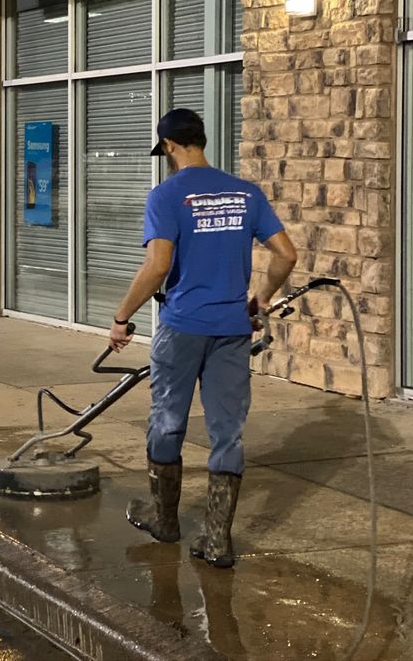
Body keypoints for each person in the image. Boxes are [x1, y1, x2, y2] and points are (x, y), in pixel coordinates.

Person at [109, 108, 297, 569]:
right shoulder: (246, 194)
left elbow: (157, 267)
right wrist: (260, 299)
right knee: (227, 432)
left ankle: (165, 520)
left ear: (169, 147)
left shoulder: (166, 196)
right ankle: (217, 541)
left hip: (182, 327)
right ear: (201, 142)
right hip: (232, 330)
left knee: (169, 420)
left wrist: (121, 317)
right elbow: (287, 255)